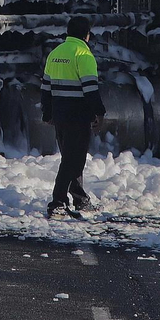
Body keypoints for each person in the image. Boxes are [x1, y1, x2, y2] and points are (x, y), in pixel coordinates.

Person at [41, 15, 105, 218]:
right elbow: (90, 89)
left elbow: (45, 87)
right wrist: (99, 112)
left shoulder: (55, 53)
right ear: (87, 35)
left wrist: (47, 112)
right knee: (73, 160)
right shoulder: (83, 54)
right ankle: (58, 202)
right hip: (78, 116)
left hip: (60, 114)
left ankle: (79, 199)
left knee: (71, 157)